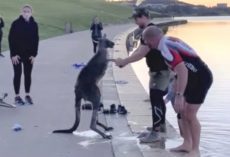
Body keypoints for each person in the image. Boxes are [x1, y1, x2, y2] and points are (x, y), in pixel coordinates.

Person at [142, 26, 213, 157]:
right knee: (182, 112)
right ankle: (187, 144)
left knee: (190, 114)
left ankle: (195, 150)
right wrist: (174, 92)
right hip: (191, 78)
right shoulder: (167, 42)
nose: (146, 44)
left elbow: (182, 70)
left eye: (146, 41)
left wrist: (179, 96)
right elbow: (177, 72)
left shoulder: (165, 48)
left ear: (152, 39)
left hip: (200, 78)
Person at [114, 8, 171, 143]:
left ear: (145, 17)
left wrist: (125, 61)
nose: (135, 21)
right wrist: (125, 60)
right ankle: (160, 127)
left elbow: (141, 53)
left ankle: (156, 133)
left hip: (162, 72)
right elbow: (139, 49)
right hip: (156, 71)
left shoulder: (150, 31)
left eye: (136, 18)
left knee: (156, 97)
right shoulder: (148, 31)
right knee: (155, 98)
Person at [8, 5, 39, 105]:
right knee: (17, 74)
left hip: (29, 55)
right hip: (17, 55)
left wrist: (34, 55)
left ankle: (27, 95)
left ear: (31, 12)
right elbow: (11, 39)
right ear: (21, 12)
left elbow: (36, 40)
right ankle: (17, 96)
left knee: (28, 75)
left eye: (28, 11)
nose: (26, 13)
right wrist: (13, 54)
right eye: (24, 11)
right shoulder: (16, 24)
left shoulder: (34, 25)